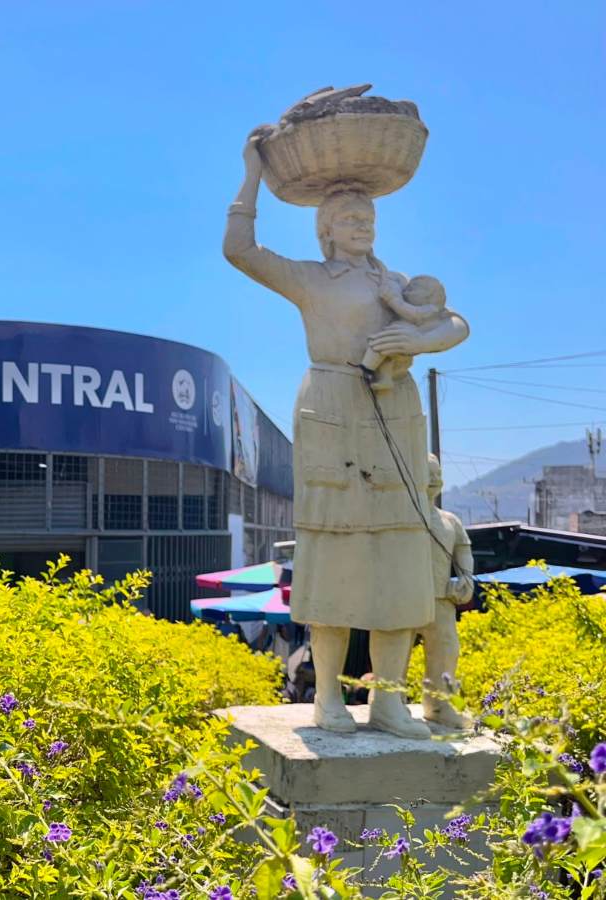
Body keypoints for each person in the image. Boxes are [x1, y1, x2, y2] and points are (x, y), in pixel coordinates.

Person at [223, 126, 470, 738]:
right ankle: (327, 695)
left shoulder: (394, 285)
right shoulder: (309, 279)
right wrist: (252, 174)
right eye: (350, 216)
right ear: (325, 229)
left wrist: (415, 339)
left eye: (369, 215)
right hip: (332, 405)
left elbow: (456, 323)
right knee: (333, 556)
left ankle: (388, 699)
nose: (364, 223)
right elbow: (241, 250)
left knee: (399, 558)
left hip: (394, 413)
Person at [418, 455, 475, 728]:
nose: (434, 480)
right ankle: (385, 702)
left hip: (442, 599)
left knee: (447, 650)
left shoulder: (451, 521)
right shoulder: (404, 520)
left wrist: (466, 577)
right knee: (395, 651)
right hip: (406, 597)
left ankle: (439, 704)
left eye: (437, 474)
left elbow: (463, 551)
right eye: (427, 473)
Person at [360, 275, 448, 393]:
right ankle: (384, 378)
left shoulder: (430, 309)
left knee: (378, 345)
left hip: (403, 335)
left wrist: (393, 301)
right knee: (386, 357)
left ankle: (365, 368)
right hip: (398, 334)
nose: (407, 291)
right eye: (408, 288)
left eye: (413, 289)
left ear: (429, 295)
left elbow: (412, 314)